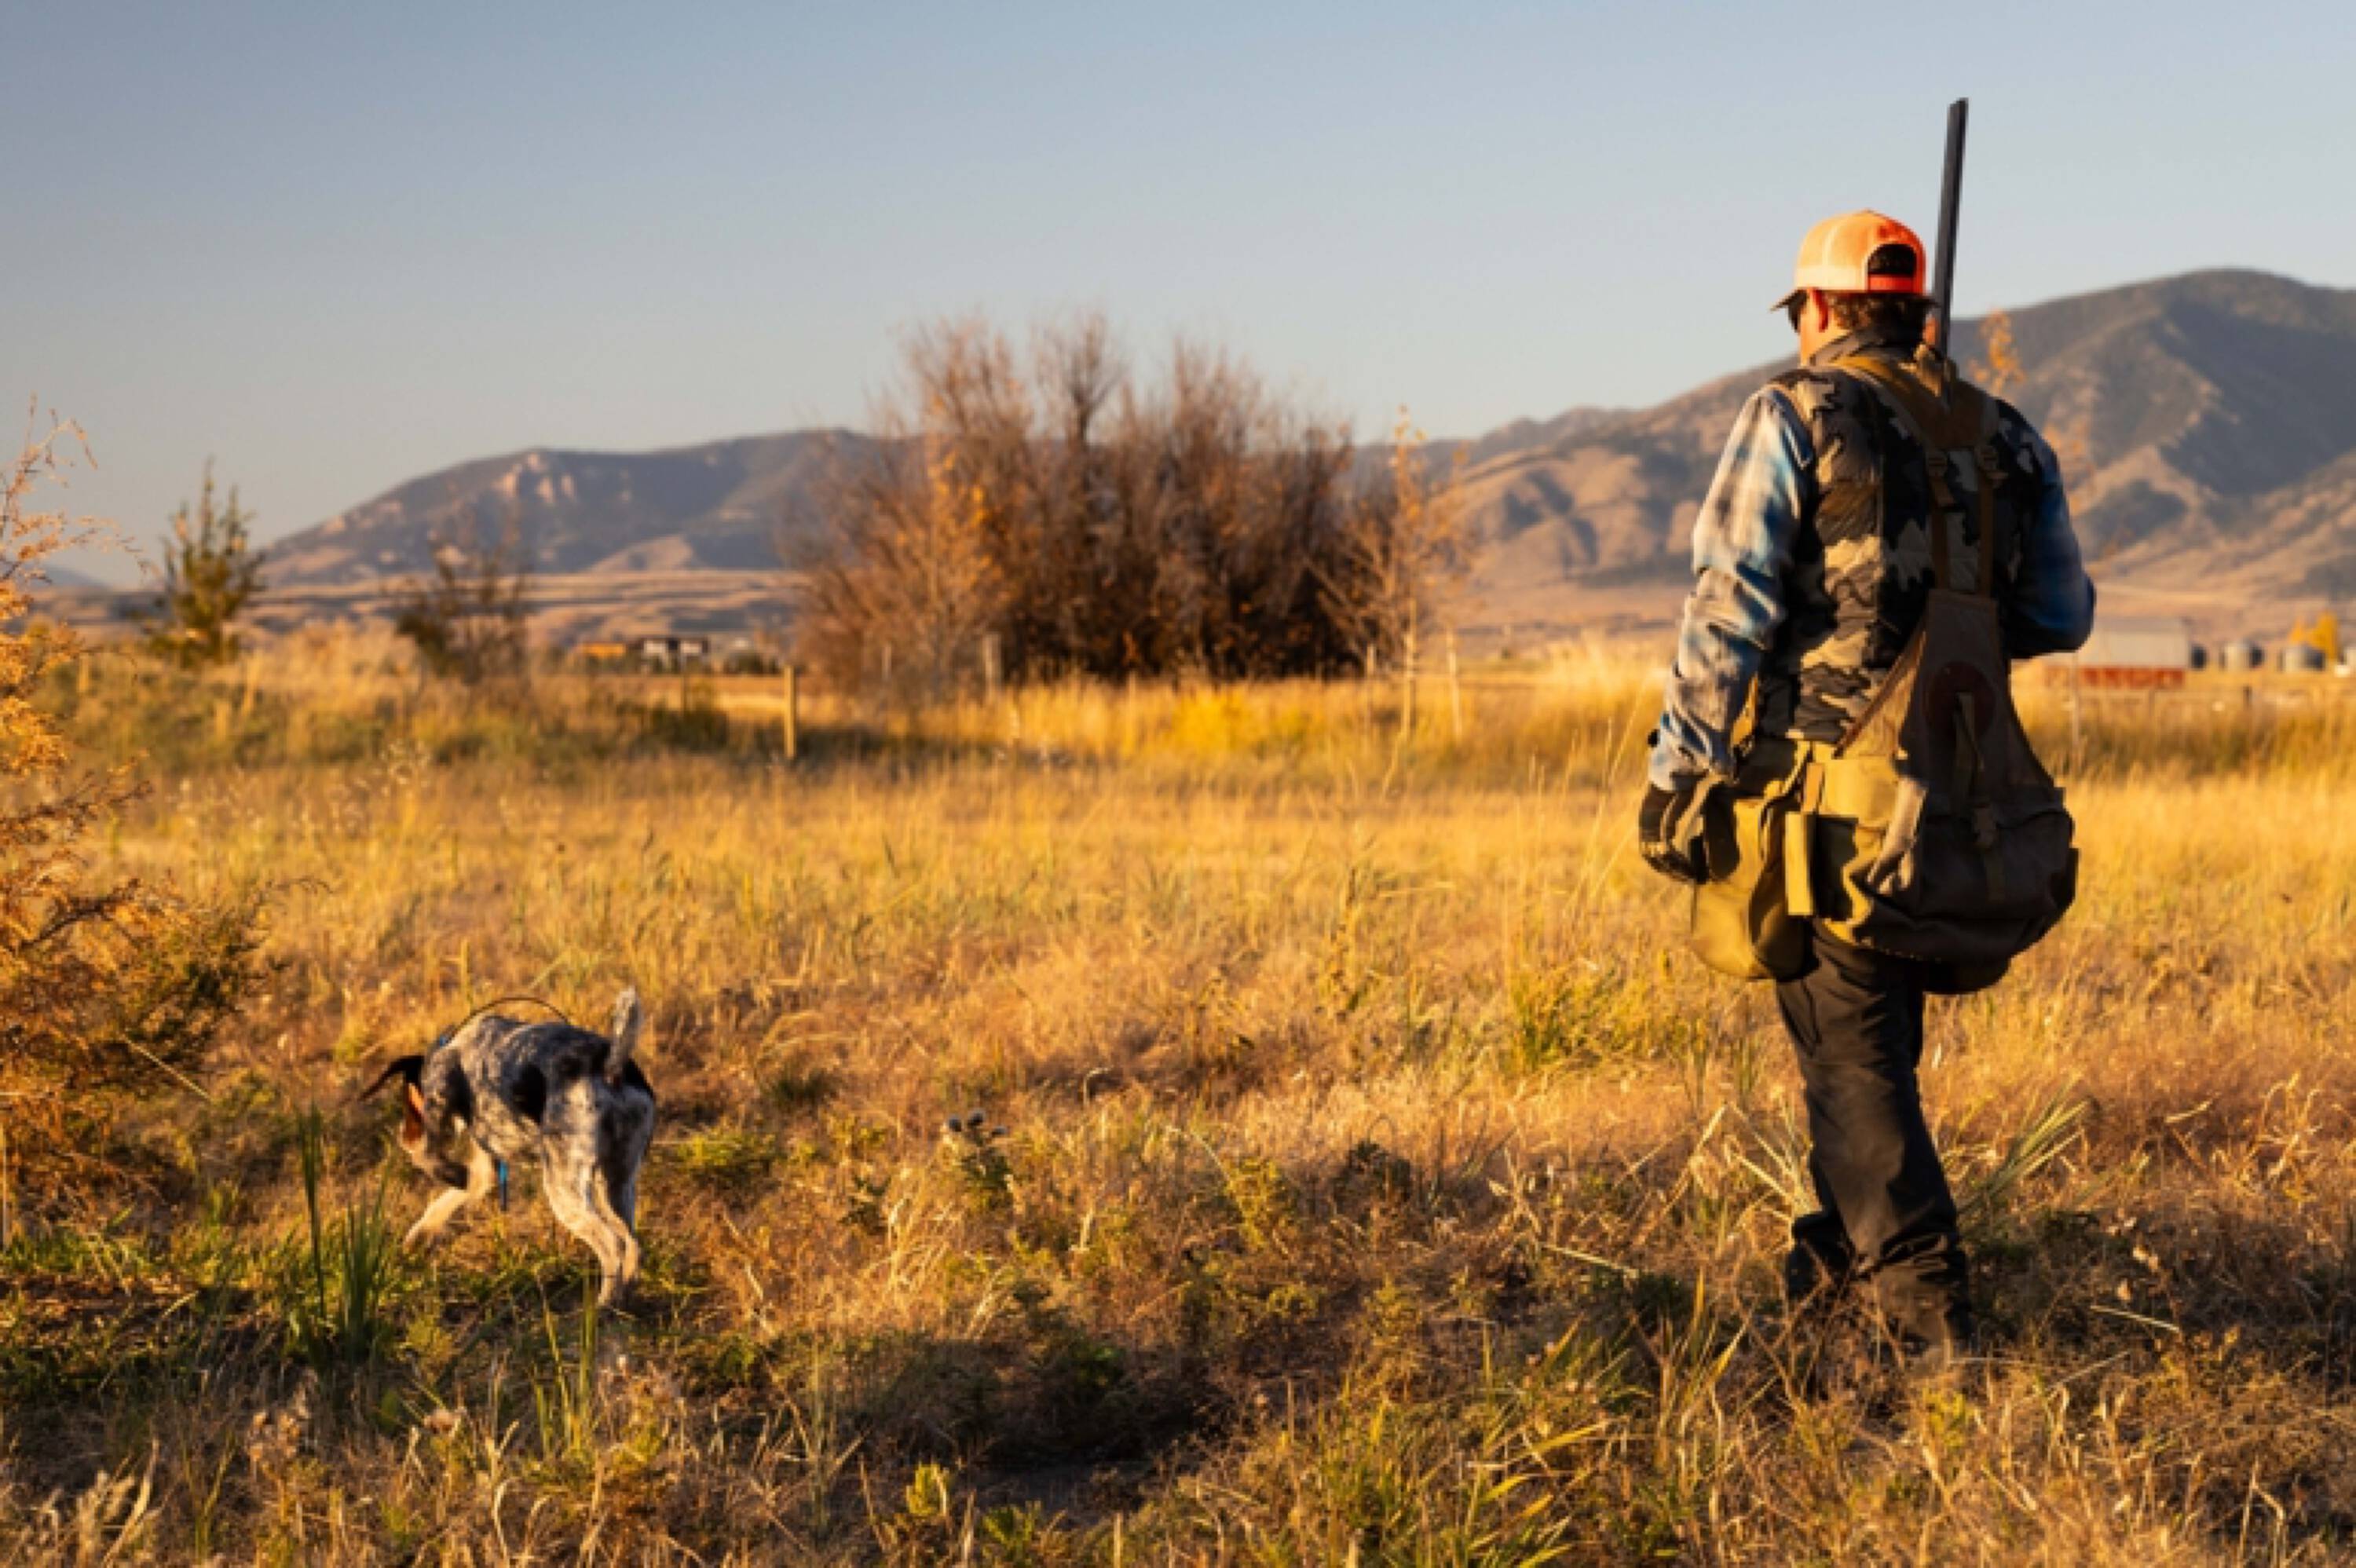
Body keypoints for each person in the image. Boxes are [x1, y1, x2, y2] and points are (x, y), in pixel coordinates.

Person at [1637, 210, 2095, 1362]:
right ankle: (1826, 1316)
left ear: (1820, 310)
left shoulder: (1792, 411)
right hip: (1961, 801)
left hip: (1826, 810)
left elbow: (1728, 608)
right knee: (1865, 1064)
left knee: (1854, 1073)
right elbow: (2060, 615)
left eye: (1800, 312)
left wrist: (1680, 770)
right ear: (1915, 311)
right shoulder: (2006, 433)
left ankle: (1938, 1348)